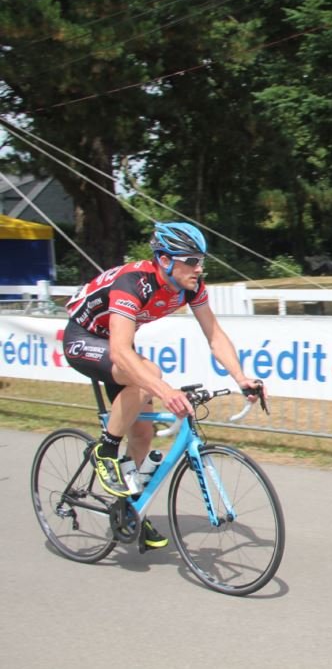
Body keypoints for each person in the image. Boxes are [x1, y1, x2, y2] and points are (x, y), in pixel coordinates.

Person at [63, 222, 264, 550]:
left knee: (143, 435)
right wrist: (165, 391)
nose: (199, 269)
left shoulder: (190, 287)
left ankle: (128, 512)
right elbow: (120, 352)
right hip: (84, 339)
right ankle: (105, 449)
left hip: (117, 345)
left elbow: (214, 335)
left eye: (201, 261)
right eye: (191, 261)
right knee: (150, 375)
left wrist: (241, 378)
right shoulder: (134, 283)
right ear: (165, 260)